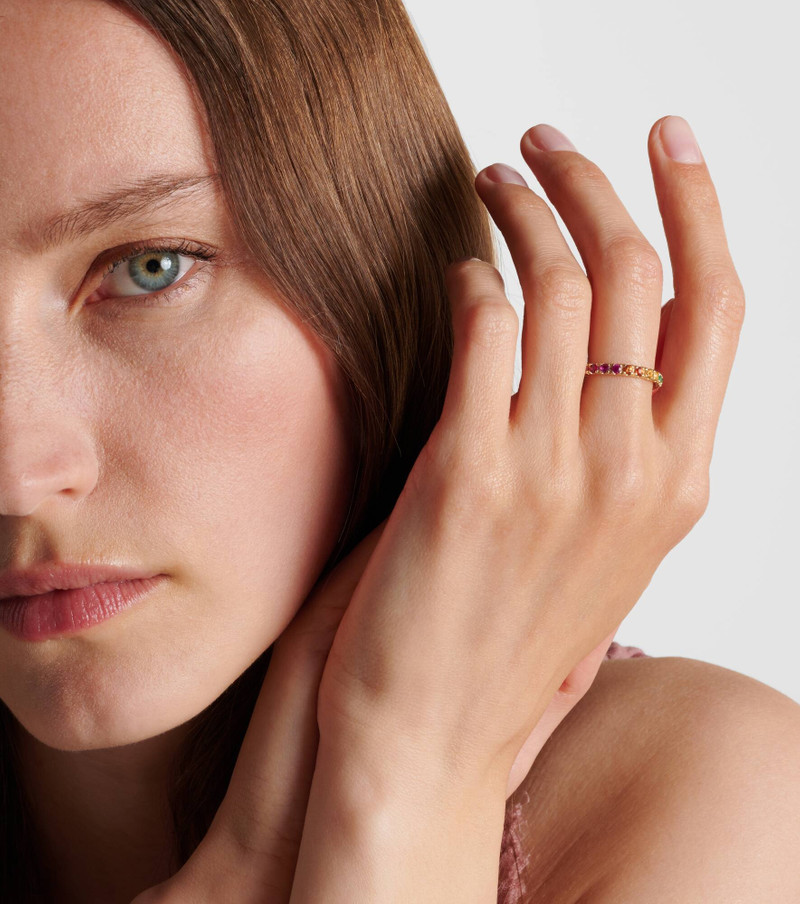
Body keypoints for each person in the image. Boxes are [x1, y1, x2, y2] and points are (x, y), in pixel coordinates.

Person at [1, 1, 799, 902]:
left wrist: (405, 784)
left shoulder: (714, 805)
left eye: (150, 267)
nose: (17, 478)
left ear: (374, 274)